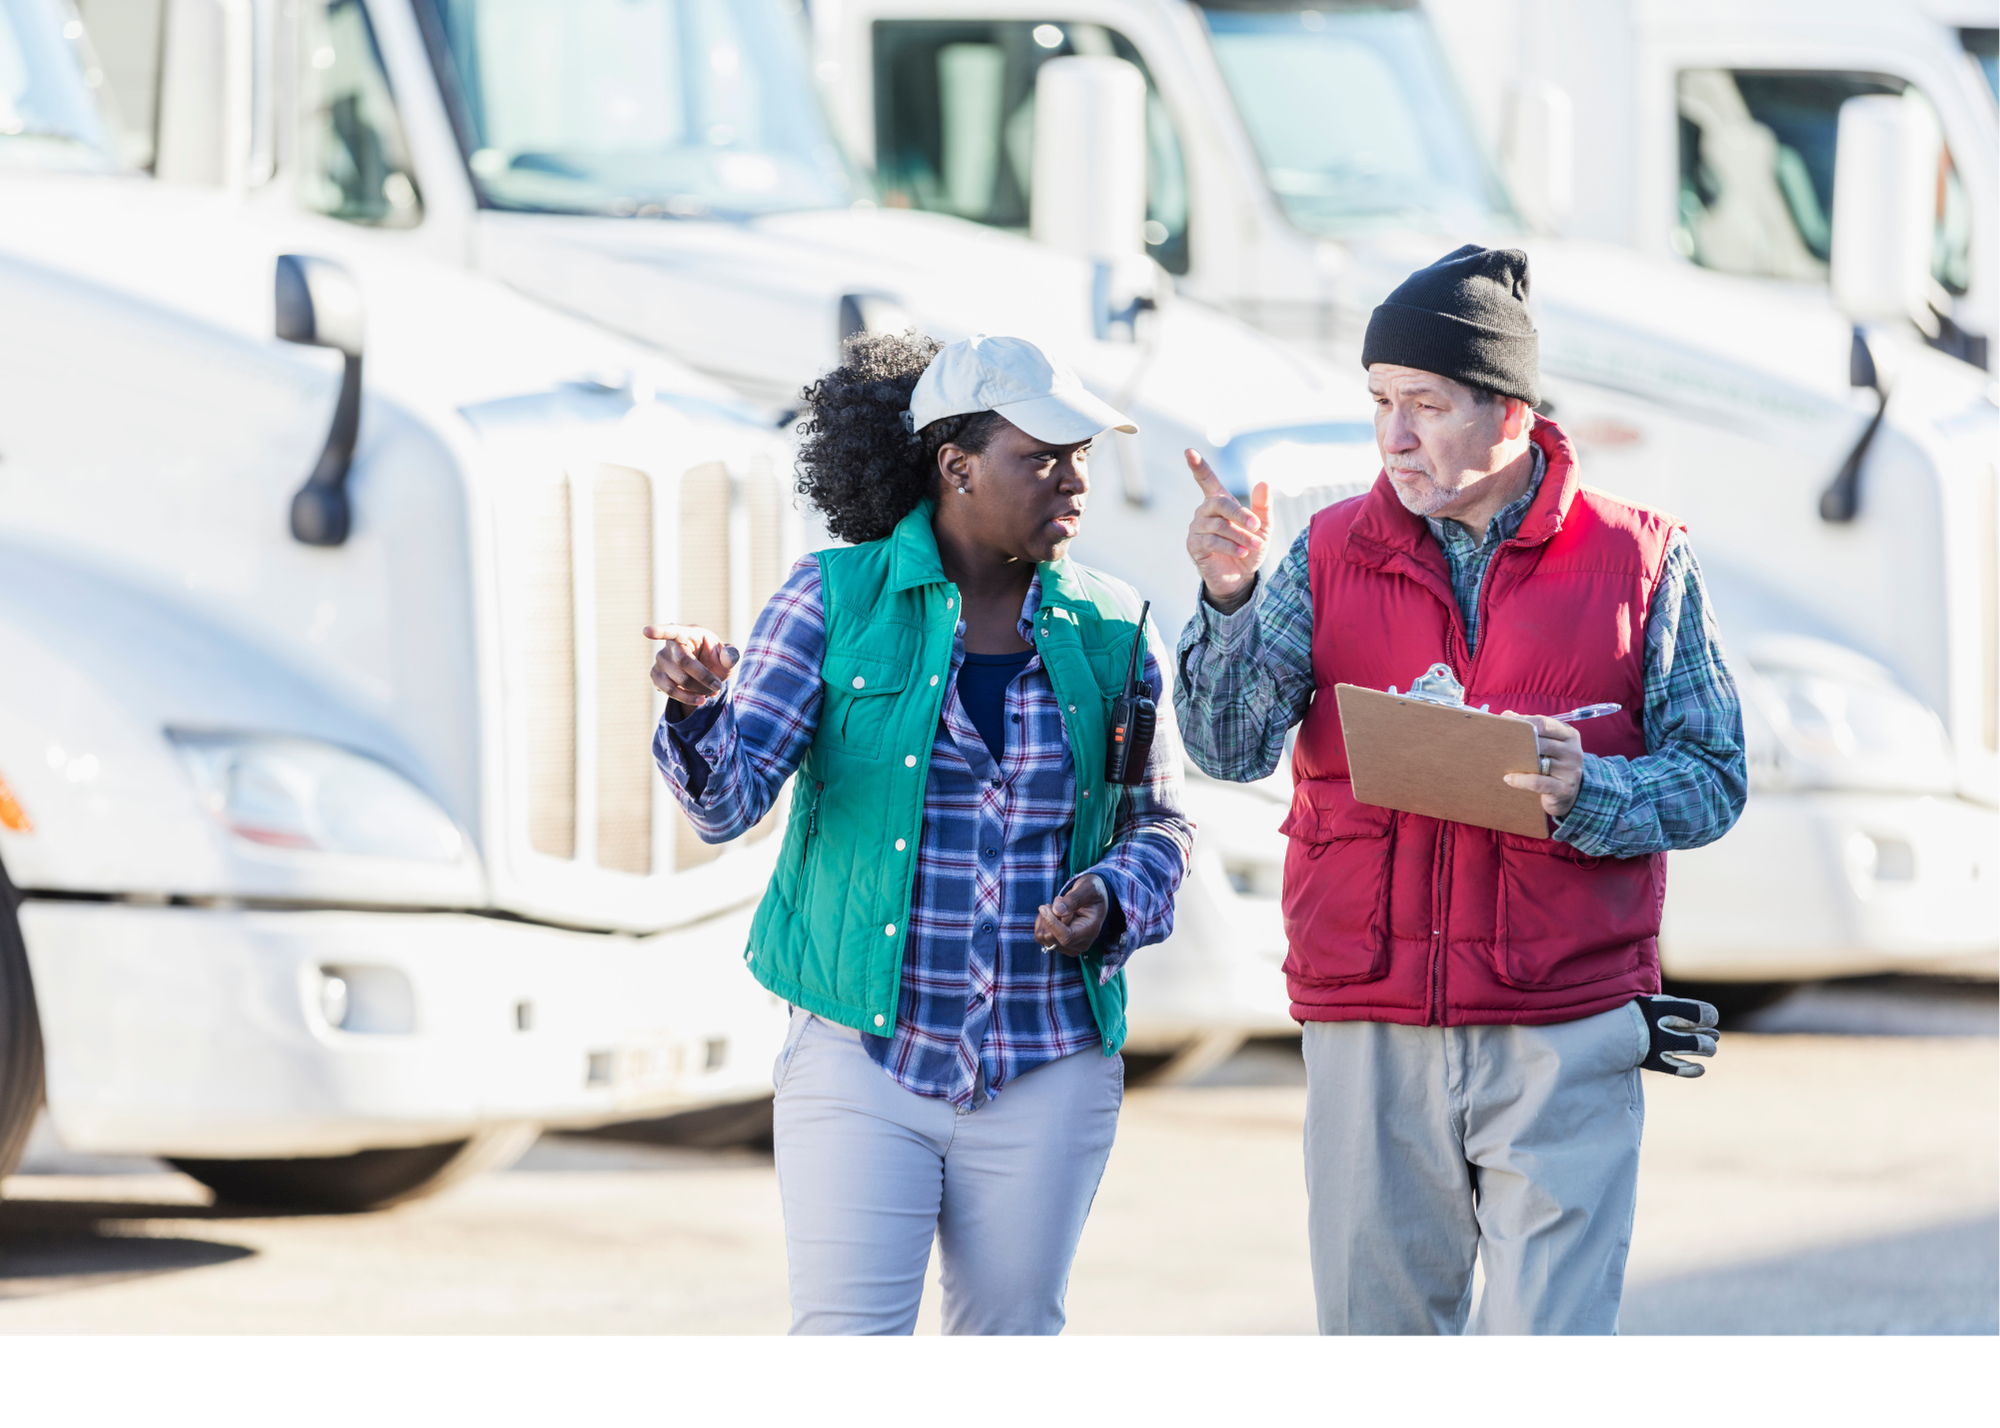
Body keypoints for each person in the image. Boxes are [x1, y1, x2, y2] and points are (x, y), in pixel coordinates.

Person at [1175, 245, 1743, 1336]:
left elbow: (1713, 778)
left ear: (1509, 410)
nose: (1391, 436)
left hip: (1563, 1028)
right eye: (1379, 402)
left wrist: (1590, 792)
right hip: (1370, 1027)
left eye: (1423, 404)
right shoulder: (1325, 551)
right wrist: (1230, 598)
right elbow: (1229, 747)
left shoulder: (1641, 562)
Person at [647, 332, 1193, 1337]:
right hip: (862, 1054)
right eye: (1041, 457)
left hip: (1047, 1056)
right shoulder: (829, 601)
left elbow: (1157, 823)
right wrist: (694, 711)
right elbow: (725, 806)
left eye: (1081, 455)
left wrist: (1112, 895)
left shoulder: (1114, 628)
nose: (1073, 480)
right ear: (955, 467)